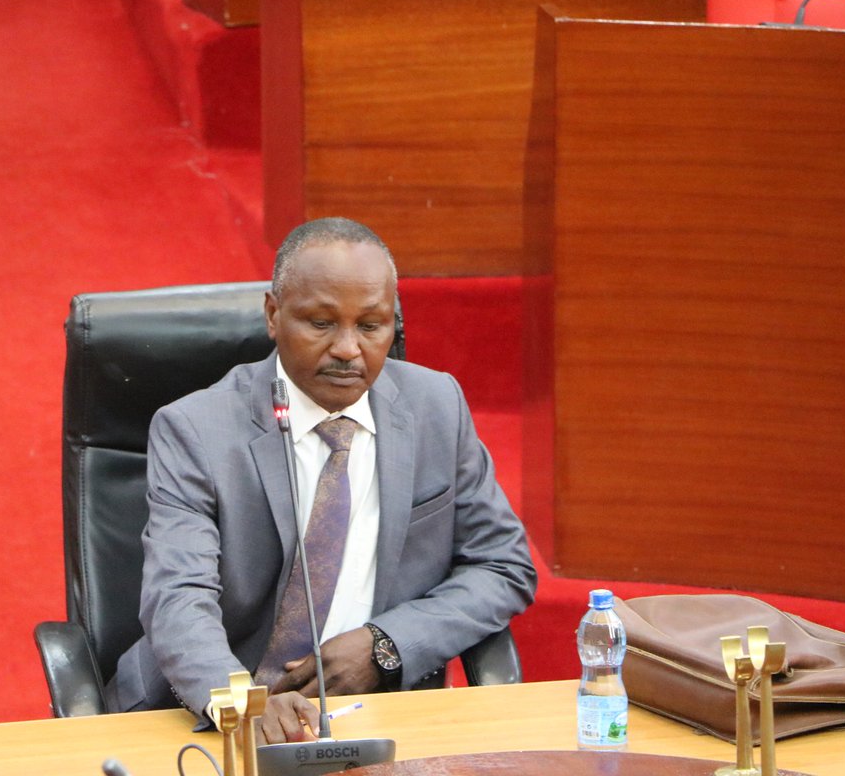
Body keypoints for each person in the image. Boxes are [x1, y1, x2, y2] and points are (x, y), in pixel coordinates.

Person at [106, 217, 537, 743]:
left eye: (372, 325)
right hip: (206, 722)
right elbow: (178, 595)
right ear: (273, 315)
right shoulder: (196, 429)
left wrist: (387, 645)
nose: (348, 349)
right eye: (321, 323)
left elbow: (502, 564)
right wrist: (245, 707)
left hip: (375, 723)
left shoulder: (436, 407)